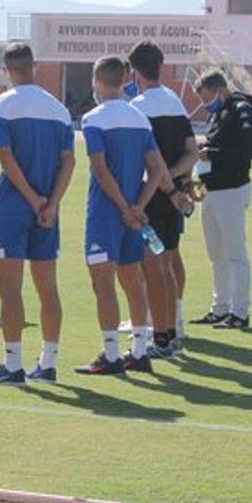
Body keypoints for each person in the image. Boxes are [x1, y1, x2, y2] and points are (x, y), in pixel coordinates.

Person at [76, 56, 182, 376]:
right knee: (133, 281)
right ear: (122, 80)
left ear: (96, 82)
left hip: (107, 213)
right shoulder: (139, 118)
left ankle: (110, 354)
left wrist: (124, 207)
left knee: (103, 283)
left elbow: (101, 168)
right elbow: (158, 170)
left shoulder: (93, 119)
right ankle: (138, 351)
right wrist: (139, 205)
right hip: (134, 214)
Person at [0, 44, 74, 385]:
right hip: (48, 210)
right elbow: (69, 162)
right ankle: (48, 363)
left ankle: (13, 364)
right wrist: (52, 204)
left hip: (13, 207)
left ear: (6, 69)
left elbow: (5, 156)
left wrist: (34, 200)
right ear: (34, 66)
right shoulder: (59, 109)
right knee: (48, 288)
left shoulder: (1, 105)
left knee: (10, 288)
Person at [128, 41, 198, 357]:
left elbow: (148, 162)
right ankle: (171, 329)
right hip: (175, 196)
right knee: (168, 262)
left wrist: (162, 182)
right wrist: (174, 182)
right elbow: (192, 152)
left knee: (152, 267)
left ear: (134, 72)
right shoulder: (174, 102)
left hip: (152, 197)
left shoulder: (138, 108)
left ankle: (160, 336)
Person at [189, 70, 252, 330]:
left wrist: (212, 153)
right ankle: (220, 309)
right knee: (216, 254)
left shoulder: (242, 110)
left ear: (220, 90)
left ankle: (240, 312)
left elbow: (248, 150)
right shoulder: (219, 113)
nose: (206, 104)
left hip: (232, 188)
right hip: (213, 189)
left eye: (207, 98)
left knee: (235, 253)